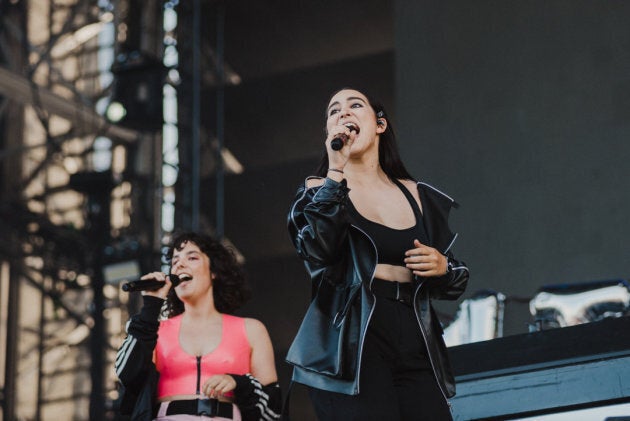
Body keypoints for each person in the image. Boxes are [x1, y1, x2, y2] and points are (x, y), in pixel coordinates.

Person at [286, 88, 470, 420]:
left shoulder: (417, 194)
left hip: (414, 330)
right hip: (355, 337)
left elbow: (456, 278)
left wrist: (443, 267)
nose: (343, 114)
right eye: (333, 111)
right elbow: (318, 251)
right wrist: (335, 172)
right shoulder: (318, 190)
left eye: (355, 105)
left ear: (380, 124)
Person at [115, 231, 281, 421]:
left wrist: (238, 382)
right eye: (175, 261)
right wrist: (151, 307)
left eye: (192, 257)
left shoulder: (251, 329)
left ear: (214, 272)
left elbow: (273, 407)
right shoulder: (154, 329)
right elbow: (126, 374)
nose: (180, 264)